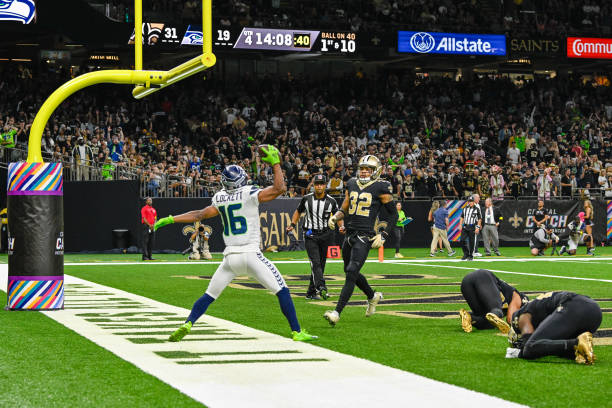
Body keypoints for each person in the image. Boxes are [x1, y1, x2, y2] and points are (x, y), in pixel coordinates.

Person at [154, 145, 317, 342]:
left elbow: (198, 215)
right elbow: (280, 189)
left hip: (230, 258)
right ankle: (297, 331)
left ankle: (188, 323)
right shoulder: (249, 192)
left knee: (209, 295)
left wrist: (171, 218)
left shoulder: (220, 198)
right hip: (251, 254)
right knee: (281, 290)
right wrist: (275, 163)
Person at [323, 155, 397, 326]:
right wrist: (336, 217)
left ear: (375, 171)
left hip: (365, 236)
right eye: (362, 168)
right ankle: (372, 296)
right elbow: (346, 206)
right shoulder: (351, 183)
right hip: (350, 234)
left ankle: (336, 312)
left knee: (351, 272)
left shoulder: (381, 186)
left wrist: (384, 235)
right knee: (349, 270)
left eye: (368, 169)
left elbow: (393, 214)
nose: (364, 171)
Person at [507, 291, 601, 364]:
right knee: (558, 347)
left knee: (530, 349)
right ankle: (579, 348)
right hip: (594, 311)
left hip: (573, 307)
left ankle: (576, 343)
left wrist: (518, 352)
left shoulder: (521, 316)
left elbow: (528, 344)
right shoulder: (536, 307)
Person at [287, 173, 338, 300]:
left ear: (325, 185)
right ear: (313, 185)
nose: (319, 186)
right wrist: (293, 224)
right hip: (310, 234)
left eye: (321, 184)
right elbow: (298, 211)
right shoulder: (306, 198)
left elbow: (338, 215)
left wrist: (341, 226)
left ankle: (310, 292)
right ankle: (321, 287)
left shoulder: (331, 200)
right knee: (315, 263)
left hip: (326, 234)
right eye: (317, 184)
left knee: (321, 264)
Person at [459, 269, 528, 333]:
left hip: (466, 282)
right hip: (482, 277)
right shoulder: (520, 298)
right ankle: (495, 313)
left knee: (488, 323)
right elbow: (510, 319)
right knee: (497, 311)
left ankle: (470, 317)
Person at [459, 195, 481, 261]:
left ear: (474, 202)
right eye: (469, 201)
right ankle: (466, 254)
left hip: (472, 227)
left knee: (472, 242)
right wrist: (460, 224)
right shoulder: (465, 208)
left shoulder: (476, 209)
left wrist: (477, 228)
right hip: (465, 226)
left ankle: (471, 255)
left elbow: (479, 219)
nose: (470, 203)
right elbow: (462, 217)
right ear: (468, 202)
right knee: (462, 240)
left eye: (472, 201)